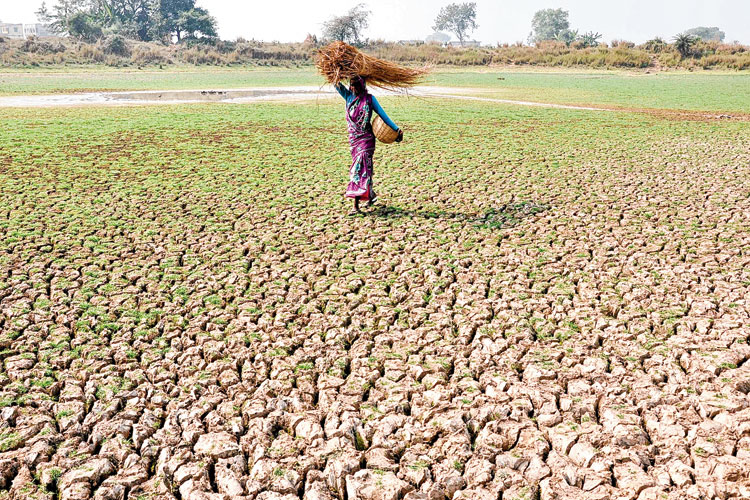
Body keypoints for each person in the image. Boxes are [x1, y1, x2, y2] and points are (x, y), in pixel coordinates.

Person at [335, 76, 403, 215]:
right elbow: (335, 83)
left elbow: (383, 116)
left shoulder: (369, 99)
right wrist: (336, 70)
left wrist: (396, 130)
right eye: (352, 85)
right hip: (354, 140)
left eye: (357, 85)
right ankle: (370, 195)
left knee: (358, 169)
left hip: (366, 139)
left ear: (363, 85)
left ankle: (356, 205)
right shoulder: (348, 96)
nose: (354, 88)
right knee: (366, 167)